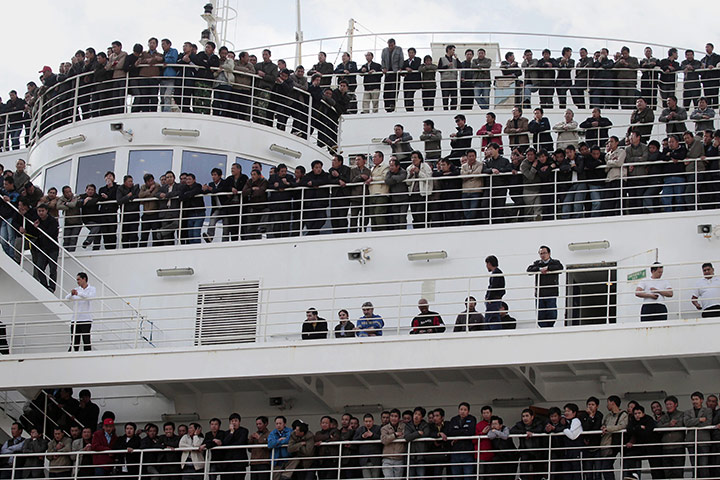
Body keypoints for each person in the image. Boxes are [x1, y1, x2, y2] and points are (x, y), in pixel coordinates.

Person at [527, 245, 564, 327]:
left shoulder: (555, 262)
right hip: (540, 293)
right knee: (540, 315)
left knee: (551, 313)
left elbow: (560, 268)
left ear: (549, 253)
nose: (542, 255)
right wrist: (540, 269)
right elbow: (529, 270)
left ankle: (549, 327)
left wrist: (548, 268)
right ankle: (544, 328)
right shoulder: (537, 263)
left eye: (544, 253)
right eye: (540, 253)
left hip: (551, 292)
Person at [684, 391, 714, 478]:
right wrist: (700, 419)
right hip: (691, 442)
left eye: (696, 399)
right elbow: (686, 423)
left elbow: (708, 423)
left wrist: (693, 422)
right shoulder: (687, 412)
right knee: (694, 465)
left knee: (703, 465)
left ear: (701, 400)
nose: (694, 401)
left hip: (703, 441)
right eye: (693, 399)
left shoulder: (708, 411)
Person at [623, 405, 656, 480]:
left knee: (655, 465)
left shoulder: (648, 419)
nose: (637, 415)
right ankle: (633, 474)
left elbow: (648, 432)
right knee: (629, 455)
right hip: (639, 446)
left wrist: (636, 430)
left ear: (643, 413)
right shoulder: (633, 420)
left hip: (651, 446)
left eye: (639, 413)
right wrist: (639, 427)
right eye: (635, 413)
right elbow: (629, 430)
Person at [656, 395, 686, 478]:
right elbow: (658, 427)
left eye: (670, 404)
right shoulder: (663, 417)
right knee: (667, 472)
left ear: (676, 404)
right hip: (666, 448)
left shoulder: (681, 414)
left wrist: (666, 427)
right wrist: (669, 425)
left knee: (678, 472)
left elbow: (681, 425)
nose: (668, 406)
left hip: (678, 446)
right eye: (667, 404)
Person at [65, 272, 96, 351]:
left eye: (78, 279)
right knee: (74, 341)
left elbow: (90, 297)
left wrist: (79, 294)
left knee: (86, 341)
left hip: (86, 319)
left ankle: (88, 357)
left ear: (84, 279)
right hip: (75, 319)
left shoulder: (92, 289)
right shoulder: (76, 289)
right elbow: (66, 299)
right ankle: (73, 357)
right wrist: (72, 294)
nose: (77, 281)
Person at [354, 413, 382, 479]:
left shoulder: (378, 429)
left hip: (375, 459)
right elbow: (354, 440)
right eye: (366, 421)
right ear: (363, 422)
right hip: (364, 460)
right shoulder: (360, 430)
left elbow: (382, 438)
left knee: (375, 478)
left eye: (370, 421)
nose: (368, 423)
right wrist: (362, 436)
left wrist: (372, 435)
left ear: (373, 421)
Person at [384, 157, 409, 229]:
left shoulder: (403, 171)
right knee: (395, 219)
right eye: (390, 166)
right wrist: (395, 179)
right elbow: (387, 181)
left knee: (402, 219)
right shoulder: (389, 173)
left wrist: (393, 178)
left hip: (404, 199)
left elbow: (402, 177)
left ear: (397, 166)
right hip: (394, 199)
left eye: (392, 166)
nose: (390, 167)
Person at [380, 39, 404, 113]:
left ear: (394, 44)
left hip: (395, 72)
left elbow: (401, 58)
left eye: (392, 45)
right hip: (388, 73)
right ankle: (386, 107)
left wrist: (400, 67)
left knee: (394, 90)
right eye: (389, 45)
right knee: (386, 91)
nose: (390, 46)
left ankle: (392, 105)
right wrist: (383, 68)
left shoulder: (399, 49)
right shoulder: (384, 50)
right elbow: (382, 60)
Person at [460, 149, 483, 223]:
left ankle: (468, 225)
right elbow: (462, 176)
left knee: (473, 211)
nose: (471, 158)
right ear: (467, 157)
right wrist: (471, 173)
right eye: (470, 156)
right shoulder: (463, 166)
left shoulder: (480, 164)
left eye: (473, 156)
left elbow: (477, 173)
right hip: (465, 191)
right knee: (466, 211)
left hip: (476, 191)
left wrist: (468, 174)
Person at [438, 45, 461, 110]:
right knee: (445, 97)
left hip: (453, 80)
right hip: (445, 80)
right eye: (453, 50)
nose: (453, 52)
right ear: (449, 50)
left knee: (454, 97)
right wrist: (447, 66)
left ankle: (453, 110)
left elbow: (460, 66)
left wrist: (457, 58)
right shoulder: (442, 59)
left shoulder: (454, 60)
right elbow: (439, 69)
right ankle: (445, 110)